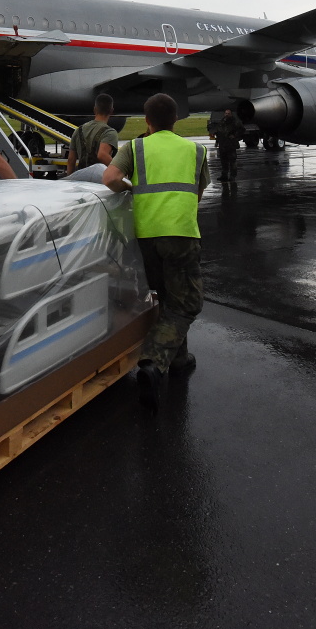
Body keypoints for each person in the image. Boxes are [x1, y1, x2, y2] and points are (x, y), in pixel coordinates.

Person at [103, 93, 209, 410]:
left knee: (166, 297)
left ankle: (179, 359)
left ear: (147, 122)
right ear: (175, 119)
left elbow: (110, 178)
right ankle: (153, 361)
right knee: (188, 301)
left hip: (146, 235)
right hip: (181, 233)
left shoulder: (135, 148)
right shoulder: (196, 150)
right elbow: (199, 192)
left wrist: (133, 189)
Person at [67, 93, 120, 175]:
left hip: (81, 179)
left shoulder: (79, 130)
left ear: (95, 109)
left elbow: (71, 160)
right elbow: (102, 155)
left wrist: (69, 180)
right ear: (111, 111)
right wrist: (120, 171)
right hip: (99, 181)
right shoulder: (109, 132)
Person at [206, 105, 244, 181]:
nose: (227, 115)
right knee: (223, 161)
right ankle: (224, 175)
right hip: (222, 144)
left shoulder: (235, 122)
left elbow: (242, 130)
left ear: (231, 114)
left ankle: (232, 176)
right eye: (226, 113)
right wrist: (217, 142)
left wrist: (235, 136)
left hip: (231, 145)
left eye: (228, 113)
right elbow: (219, 132)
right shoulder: (222, 121)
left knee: (232, 161)